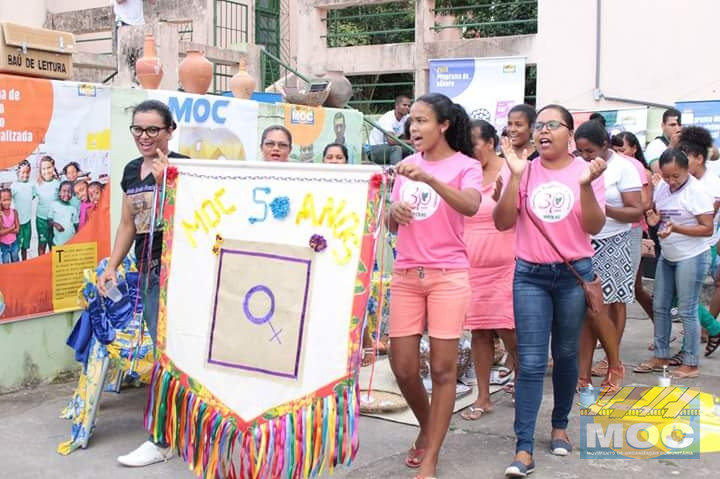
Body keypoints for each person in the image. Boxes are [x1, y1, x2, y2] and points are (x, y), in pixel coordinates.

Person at [494, 104, 606, 477]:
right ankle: (523, 447)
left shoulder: (585, 171)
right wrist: (513, 176)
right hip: (530, 276)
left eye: (552, 125)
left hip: (573, 274)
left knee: (566, 352)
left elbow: (592, 225)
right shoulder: (524, 171)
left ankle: (560, 424)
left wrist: (587, 186)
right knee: (530, 361)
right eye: (538, 125)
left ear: (569, 134)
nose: (543, 131)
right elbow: (503, 222)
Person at [388, 93, 482, 479]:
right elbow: (393, 224)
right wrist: (392, 214)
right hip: (407, 274)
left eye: (423, 121)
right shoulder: (405, 165)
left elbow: (471, 205)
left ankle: (431, 456)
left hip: (448, 276)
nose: (414, 128)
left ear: (443, 125)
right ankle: (429, 426)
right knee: (404, 366)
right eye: (412, 121)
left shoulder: (466, 166)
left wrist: (431, 179)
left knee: (443, 370)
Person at [97, 99, 188, 467]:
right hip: (149, 273)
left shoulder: (185, 168)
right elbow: (127, 224)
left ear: (169, 131)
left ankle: (167, 437)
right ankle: (168, 436)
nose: (144, 136)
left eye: (153, 129)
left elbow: (197, 223)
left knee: (178, 356)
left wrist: (171, 180)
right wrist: (112, 266)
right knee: (165, 356)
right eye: (138, 129)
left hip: (180, 274)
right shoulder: (132, 170)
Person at [574, 120, 642, 393]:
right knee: (585, 313)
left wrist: (604, 208)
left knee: (605, 308)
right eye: (580, 151)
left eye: (589, 151)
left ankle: (614, 364)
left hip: (613, 241)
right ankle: (584, 375)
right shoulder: (578, 166)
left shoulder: (623, 168)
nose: (585, 157)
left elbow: (636, 211)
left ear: (604, 145)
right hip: (584, 242)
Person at [635, 149, 714, 379]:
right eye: (666, 176)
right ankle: (661, 355)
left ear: (686, 169)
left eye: (675, 176)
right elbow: (660, 216)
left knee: (687, 310)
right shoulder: (662, 187)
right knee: (660, 306)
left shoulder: (696, 191)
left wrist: (677, 228)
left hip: (692, 256)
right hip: (668, 255)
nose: (670, 181)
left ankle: (691, 361)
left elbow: (707, 228)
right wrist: (655, 221)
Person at [460, 120, 517, 421]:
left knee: (511, 332)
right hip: (472, 267)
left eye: (474, 144)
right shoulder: (465, 174)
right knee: (480, 332)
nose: (470, 151)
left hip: (507, 266)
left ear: (492, 142)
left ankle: (522, 383)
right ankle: (483, 396)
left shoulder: (512, 170)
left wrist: (500, 201)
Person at [676, 126, 720, 359]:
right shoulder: (692, 179)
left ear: (699, 158)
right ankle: (708, 331)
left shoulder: (711, 185)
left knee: (687, 298)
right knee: (681, 297)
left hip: (703, 247)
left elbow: (704, 222)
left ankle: (711, 331)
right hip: (684, 245)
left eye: (687, 157)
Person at [611, 132, 654, 320]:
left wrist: (616, 208)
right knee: (630, 288)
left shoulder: (635, 167)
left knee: (623, 290)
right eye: (615, 150)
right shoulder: (610, 164)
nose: (619, 154)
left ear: (634, 149)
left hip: (632, 230)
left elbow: (645, 203)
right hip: (613, 230)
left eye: (623, 149)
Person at [369, 95, 411, 165]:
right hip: (374, 149)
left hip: (388, 148)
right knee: (396, 149)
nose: (407, 108)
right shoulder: (388, 117)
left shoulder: (406, 118)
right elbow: (391, 141)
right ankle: (395, 174)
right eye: (404, 105)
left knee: (413, 148)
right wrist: (410, 141)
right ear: (396, 106)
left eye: (409, 106)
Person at [36, 155, 60, 256]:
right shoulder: (37, 184)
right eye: (43, 169)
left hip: (54, 220)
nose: (46, 171)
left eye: (49, 167)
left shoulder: (58, 183)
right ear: (40, 170)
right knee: (42, 244)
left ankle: (51, 266)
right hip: (41, 220)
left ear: (53, 167)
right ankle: (40, 266)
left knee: (53, 244)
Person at [11, 159, 35, 261]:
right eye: (23, 172)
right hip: (17, 223)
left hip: (27, 222)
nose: (25, 175)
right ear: (18, 172)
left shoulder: (31, 184)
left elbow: (33, 196)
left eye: (27, 172)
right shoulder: (14, 186)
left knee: (25, 246)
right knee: (17, 247)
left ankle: (25, 262)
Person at [645, 108, 682, 173]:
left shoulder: (684, 145)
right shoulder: (655, 145)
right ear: (663, 126)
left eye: (680, 125)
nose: (678, 129)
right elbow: (660, 173)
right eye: (672, 125)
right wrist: (672, 146)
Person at [49, 181, 79, 247]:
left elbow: (76, 225)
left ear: (73, 194)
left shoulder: (73, 208)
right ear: (59, 193)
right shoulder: (53, 205)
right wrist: (55, 224)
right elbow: (49, 220)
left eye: (69, 192)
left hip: (71, 243)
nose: (66, 194)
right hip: (57, 242)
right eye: (64, 191)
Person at [0, 188, 20, 264]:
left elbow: (17, 229)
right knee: (5, 263)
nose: (7, 202)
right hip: (3, 245)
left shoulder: (14, 212)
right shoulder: (0, 214)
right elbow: (1, 233)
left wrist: (5, 229)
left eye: (8, 200)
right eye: (4, 200)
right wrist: (12, 227)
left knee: (15, 260)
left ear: (11, 199)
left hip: (14, 243)